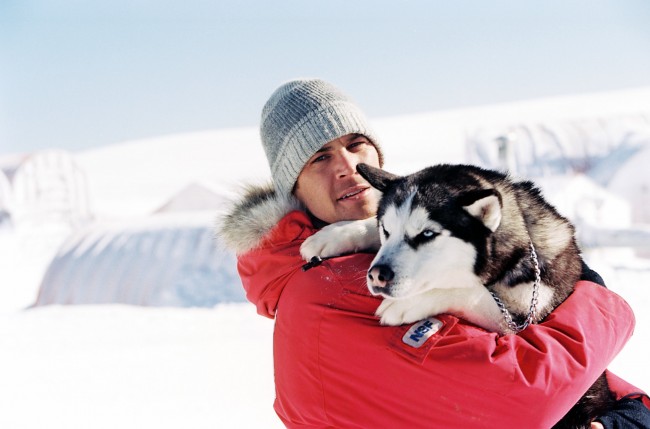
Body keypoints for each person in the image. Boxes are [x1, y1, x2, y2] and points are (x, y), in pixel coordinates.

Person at [218, 79, 650, 428]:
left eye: (356, 144)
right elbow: (525, 395)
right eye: (319, 157)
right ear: (292, 186)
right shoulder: (337, 287)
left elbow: (531, 353)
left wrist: (628, 409)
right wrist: (595, 299)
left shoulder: (367, 256)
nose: (347, 167)